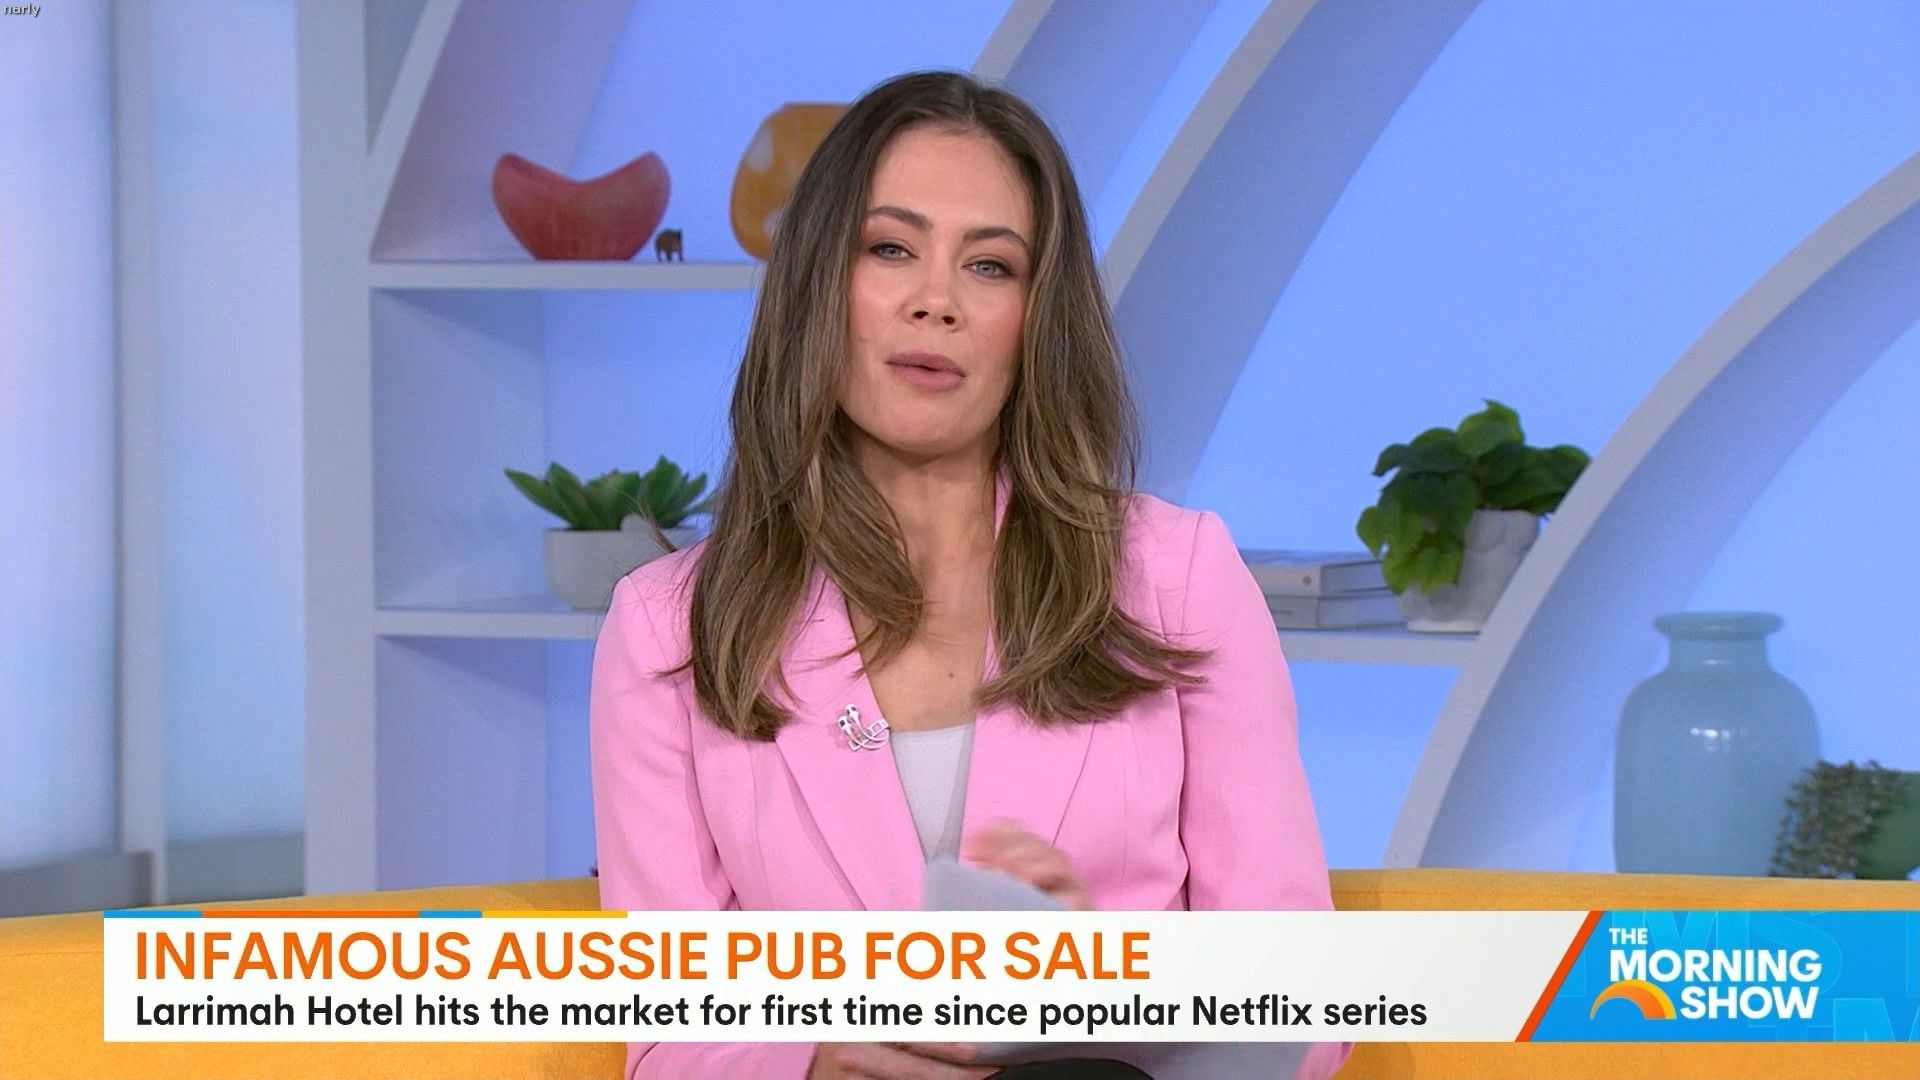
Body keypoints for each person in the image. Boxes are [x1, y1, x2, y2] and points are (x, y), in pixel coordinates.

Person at [590, 69, 1348, 1080]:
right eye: (890, 249)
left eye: (990, 266)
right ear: (817, 285)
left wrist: (1107, 982)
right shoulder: (666, 629)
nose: (936, 302)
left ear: (1037, 321)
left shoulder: (1177, 577)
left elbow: (1299, 1001)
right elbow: (668, 1037)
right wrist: (813, 1060)